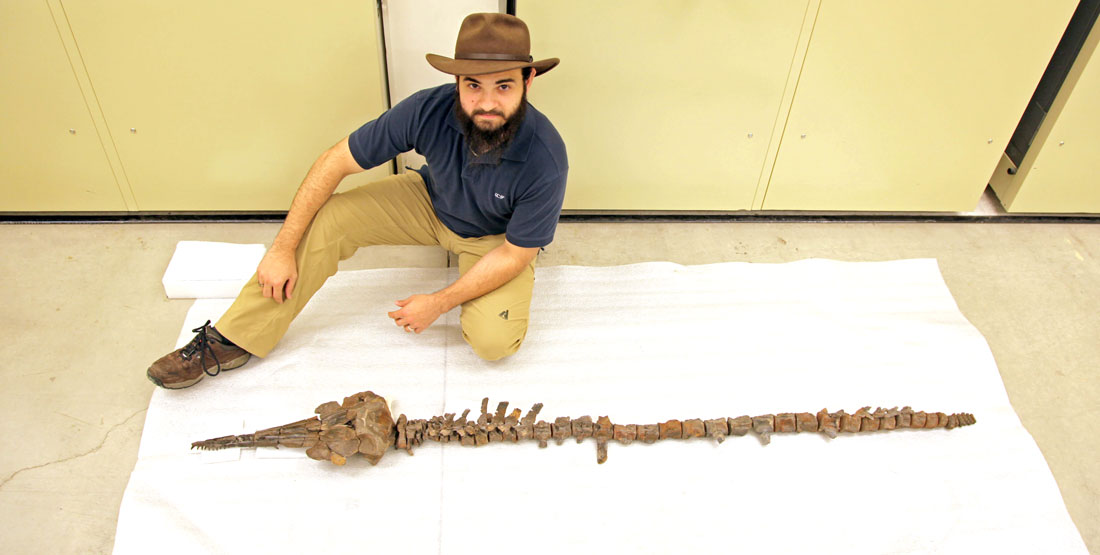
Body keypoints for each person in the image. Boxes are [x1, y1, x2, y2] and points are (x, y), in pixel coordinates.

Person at [147, 13, 567, 389]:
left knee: (494, 345)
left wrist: (439, 302)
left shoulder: (546, 157)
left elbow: (516, 252)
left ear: (528, 81)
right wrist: (281, 249)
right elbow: (335, 161)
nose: (487, 103)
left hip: (495, 240)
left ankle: (484, 300)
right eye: (472, 85)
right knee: (331, 218)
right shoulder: (427, 109)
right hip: (430, 202)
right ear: (456, 82)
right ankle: (235, 337)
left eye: (504, 86)